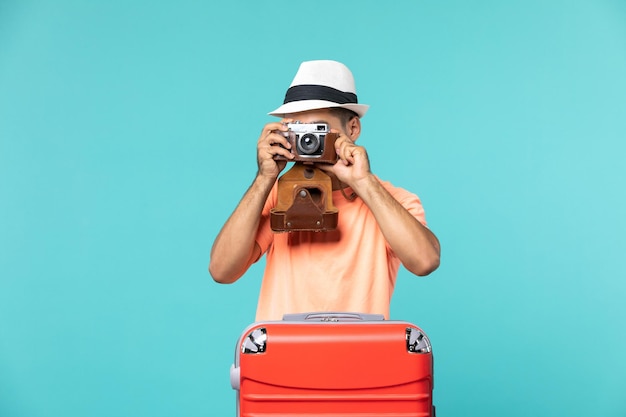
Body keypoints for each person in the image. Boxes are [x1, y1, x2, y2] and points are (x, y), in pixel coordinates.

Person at [209, 60, 440, 321]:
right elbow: (222, 271)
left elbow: (425, 261)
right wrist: (264, 178)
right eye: (297, 131)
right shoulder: (277, 196)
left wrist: (363, 182)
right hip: (285, 356)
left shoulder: (393, 201)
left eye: (317, 130)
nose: (308, 143)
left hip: (361, 355)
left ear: (352, 128)